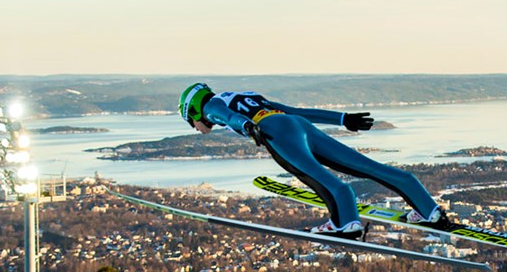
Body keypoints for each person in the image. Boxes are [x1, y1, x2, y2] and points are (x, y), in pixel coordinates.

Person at [178, 83, 448, 239]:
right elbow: (296, 111)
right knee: (363, 165)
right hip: (297, 124)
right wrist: (343, 119)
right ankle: (429, 211)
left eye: (192, 122)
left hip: (274, 131)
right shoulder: (243, 97)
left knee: (318, 177)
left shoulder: (210, 106)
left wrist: (248, 127)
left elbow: (225, 118)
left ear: (193, 109)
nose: (196, 128)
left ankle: (346, 223)